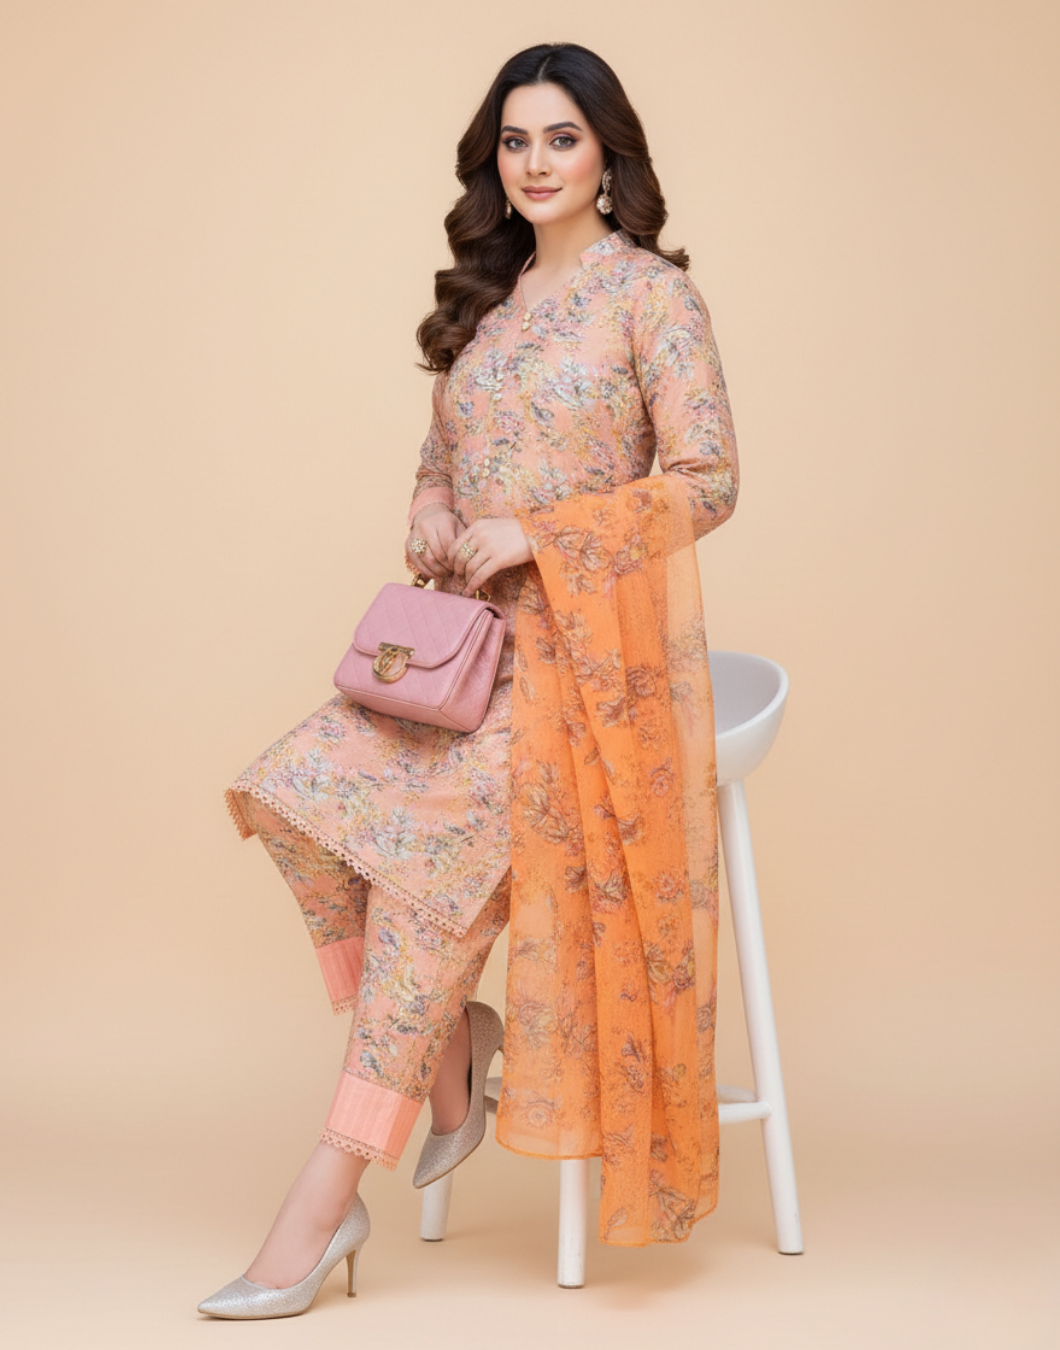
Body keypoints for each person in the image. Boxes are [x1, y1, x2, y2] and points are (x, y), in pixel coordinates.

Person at [197, 40, 739, 1319]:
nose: (537, 162)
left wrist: (540, 536)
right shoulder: (487, 304)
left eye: (562, 137)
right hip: (454, 656)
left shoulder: (650, 298)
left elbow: (708, 483)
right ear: (493, 160)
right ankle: (452, 1056)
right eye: (515, 140)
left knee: (426, 903)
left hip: (577, 681)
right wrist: (434, 513)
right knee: (289, 800)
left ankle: (326, 1200)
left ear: (607, 153)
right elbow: (437, 461)